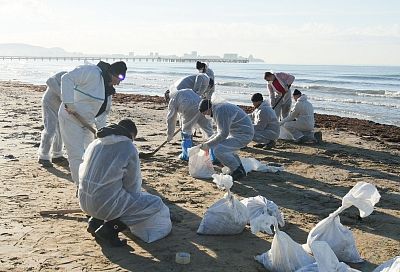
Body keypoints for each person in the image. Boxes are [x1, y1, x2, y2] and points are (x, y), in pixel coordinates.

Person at [79, 119, 172, 247]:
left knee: (107, 193)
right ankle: (110, 229)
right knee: (155, 203)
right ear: (131, 135)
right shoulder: (128, 147)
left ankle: (94, 221)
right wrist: (135, 200)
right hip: (104, 205)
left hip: (84, 202)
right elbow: (132, 185)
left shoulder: (96, 143)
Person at [59, 61, 127, 185]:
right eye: (119, 78)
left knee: (91, 152)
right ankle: (80, 186)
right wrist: (69, 103)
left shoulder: (107, 89)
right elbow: (66, 78)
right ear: (112, 73)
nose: (118, 83)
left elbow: (102, 114)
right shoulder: (91, 72)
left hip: (87, 123)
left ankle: (89, 180)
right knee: (76, 154)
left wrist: (102, 133)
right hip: (70, 118)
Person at [198, 99, 254, 181]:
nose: (206, 115)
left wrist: (208, 145)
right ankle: (240, 169)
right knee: (227, 149)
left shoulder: (219, 110)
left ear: (208, 109)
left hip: (243, 135)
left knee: (219, 150)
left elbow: (223, 134)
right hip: (240, 133)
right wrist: (207, 142)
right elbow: (219, 132)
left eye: (205, 113)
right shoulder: (218, 108)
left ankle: (237, 170)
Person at [165, 88, 214, 161]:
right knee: (209, 131)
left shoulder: (173, 99)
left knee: (186, 131)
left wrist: (169, 135)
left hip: (190, 107)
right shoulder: (185, 91)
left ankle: (186, 155)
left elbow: (171, 118)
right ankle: (214, 155)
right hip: (201, 106)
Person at [37, 71, 68, 168]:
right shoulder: (65, 74)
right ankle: (43, 156)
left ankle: (57, 155)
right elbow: (49, 81)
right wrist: (62, 95)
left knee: (61, 130)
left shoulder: (83, 84)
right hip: (49, 102)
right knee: (50, 130)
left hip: (60, 106)